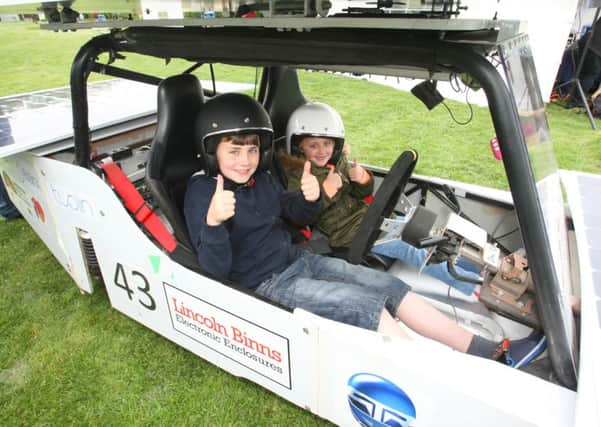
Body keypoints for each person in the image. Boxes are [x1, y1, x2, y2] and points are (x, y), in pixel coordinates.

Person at [183, 92, 546, 368]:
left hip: (299, 260)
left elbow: (291, 213)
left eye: (251, 150)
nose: (244, 160)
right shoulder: (203, 193)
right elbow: (214, 270)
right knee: (363, 306)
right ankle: (434, 376)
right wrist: (214, 224)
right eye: (234, 151)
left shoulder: (260, 179)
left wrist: (309, 199)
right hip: (265, 284)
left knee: (388, 286)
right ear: (212, 152)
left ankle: (491, 353)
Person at [280, 102, 481, 296]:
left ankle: (477, 268)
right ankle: (472, 286)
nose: (322, 150)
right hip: (350, 234)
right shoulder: (300, 176)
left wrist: (361, 179)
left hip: (371, 218)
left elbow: (360, 194)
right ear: (299, 147)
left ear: (337, 143)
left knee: (425, 233)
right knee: (415, 251)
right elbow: (301, 216)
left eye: (327, 144)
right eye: (313, 145)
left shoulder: (337, 163)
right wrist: (325, 192)